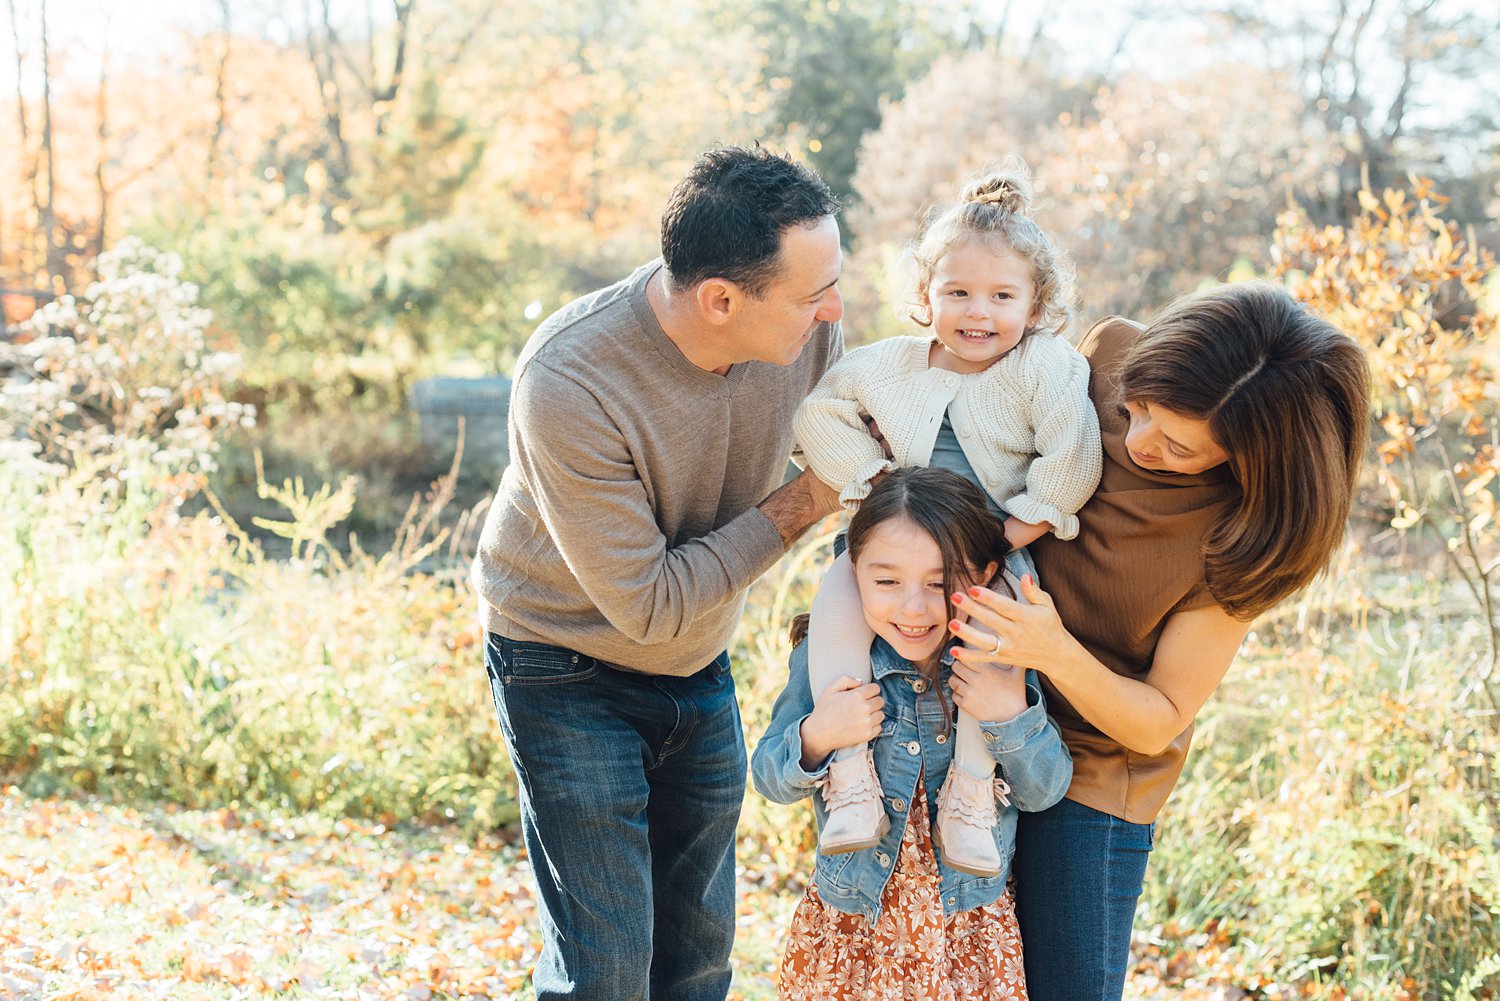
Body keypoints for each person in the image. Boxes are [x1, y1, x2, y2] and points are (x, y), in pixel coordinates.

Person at [471, 145, 848, 1001]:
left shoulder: (809, 332)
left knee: (697, 958)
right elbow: (646, 603)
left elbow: (870, 446)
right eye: (812, 291)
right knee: (607, 968)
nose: (833, 308)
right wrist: (801, 504)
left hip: (698, 660)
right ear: (721, 300)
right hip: (564, 665)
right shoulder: (571, 377)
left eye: (836, 278)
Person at [944, 280, 1370, 999]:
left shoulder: (1244, 538)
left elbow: (1159, 716)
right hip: (970, 728)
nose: (1137, 442)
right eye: (1135, 411)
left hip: (1089, 780)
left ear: (1251, 457)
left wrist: (1050, 650)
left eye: (1177, 445)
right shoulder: (1110, 351)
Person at [790, 158, 1100, 876]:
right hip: (895, 545)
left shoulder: (1045, 365)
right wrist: (872, 486)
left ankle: (970, 790)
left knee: (989, 646)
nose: (978, 312)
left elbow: (1074, 454)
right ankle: (851, 772)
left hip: (988, 547)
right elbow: (819, 413)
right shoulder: (891, 364)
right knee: (838, 594)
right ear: (926, 295)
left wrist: (1015, 530)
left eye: (1001, 295)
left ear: (1036, 302)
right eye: (956, 291)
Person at [751, 466, 1073, 1000]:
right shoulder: (832, 664)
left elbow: (1044, 790)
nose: (914, 608)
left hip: (966, 935)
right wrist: (817, 736)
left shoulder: (1001, 662)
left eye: (942, 582)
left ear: (988, 576)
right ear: (853, 576)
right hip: (853, 930)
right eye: (886, 581)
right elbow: (769, 777)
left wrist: (1008, 715)